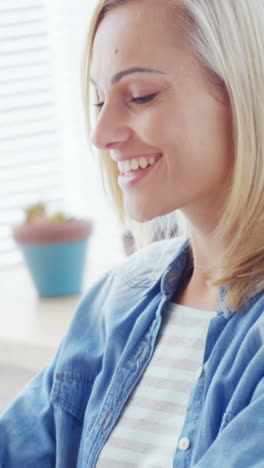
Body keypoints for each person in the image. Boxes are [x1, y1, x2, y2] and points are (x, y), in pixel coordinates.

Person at [1, 0, 264, 466]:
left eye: (140, 95)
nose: (100, 134)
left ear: (243, 90)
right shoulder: (118, 298)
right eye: (100, 98)